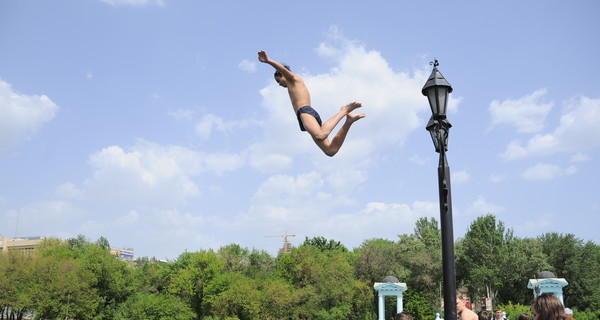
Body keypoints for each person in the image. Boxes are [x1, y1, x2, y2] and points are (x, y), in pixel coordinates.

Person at [258, 50, 366, 157]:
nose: (279, 84)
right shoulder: (292, 85)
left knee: (320, 135)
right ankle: (349, 121)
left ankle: (344, 111)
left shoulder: (294, 79)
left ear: (283, 75)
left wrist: (268, 61)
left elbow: (283, 70)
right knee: (330, 150)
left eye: (278, 80)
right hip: (307, 115)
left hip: (305, 111)